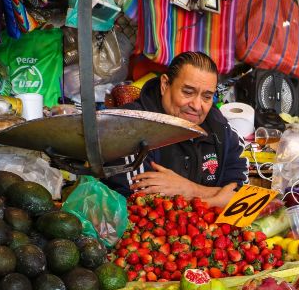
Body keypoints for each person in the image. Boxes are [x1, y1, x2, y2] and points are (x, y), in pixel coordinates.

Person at [104, 51, 249, 207]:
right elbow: (139, 204)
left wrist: (189, 189)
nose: (197, 105)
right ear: (165, 85)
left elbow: (240, 196)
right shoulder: (130, 126)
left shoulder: (220, 127)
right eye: (187, 92)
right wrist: (217, 199)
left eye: (207, 97)